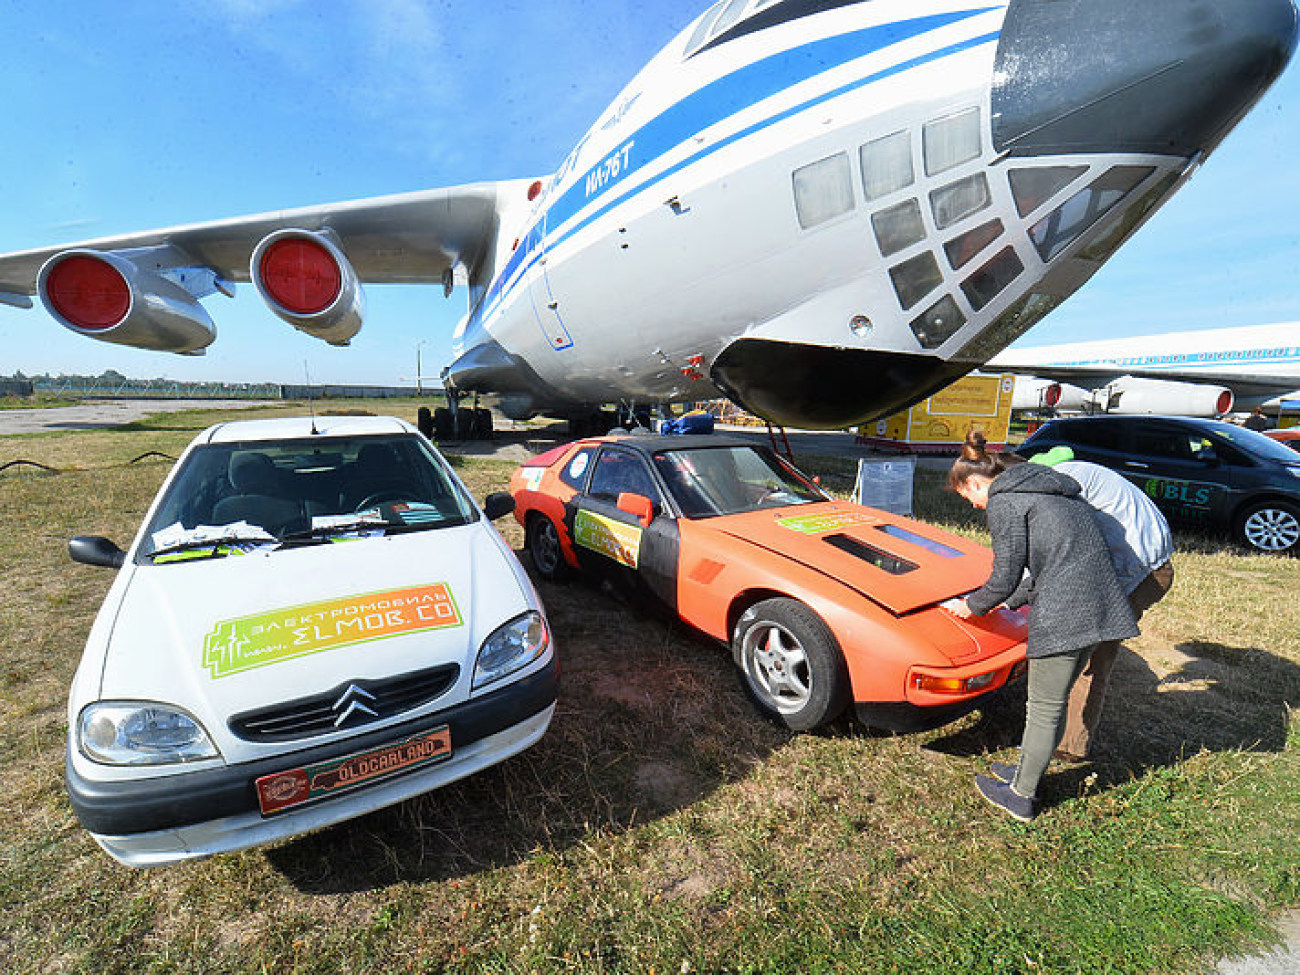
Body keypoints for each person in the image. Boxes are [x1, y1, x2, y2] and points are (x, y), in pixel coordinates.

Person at [945, 432, 1138, 821]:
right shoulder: (1050, 492)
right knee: (1052, 702)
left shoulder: (1006, 501)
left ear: (976, 482)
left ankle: (1020, 795)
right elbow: (1051, 563)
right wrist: (1012, 603)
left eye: (967, 496)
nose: (971, 504)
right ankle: (1025, 772)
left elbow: (1004, 575)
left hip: (1069, 612)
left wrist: (971, 606)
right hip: (1100, 607)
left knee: (1044, 708)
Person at [1029, 446, 1174, 760]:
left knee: (1089, 657)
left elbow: (1059, 545)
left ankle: (1069, 745)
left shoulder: (1065, 484)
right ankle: (1057, 730)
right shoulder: (1084, 472)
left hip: (1139, 574)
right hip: (1151, 567)